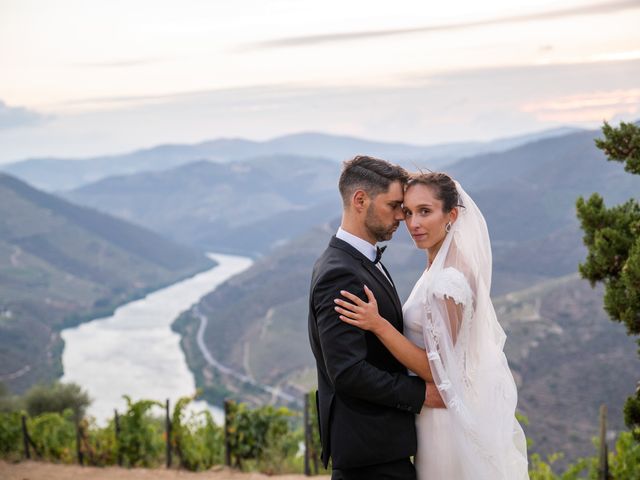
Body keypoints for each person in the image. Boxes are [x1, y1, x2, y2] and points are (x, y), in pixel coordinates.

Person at [334, 172, 529, 479]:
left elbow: (439, 371)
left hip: (442, 422)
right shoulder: (442, 267)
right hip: (437, 414)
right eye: (408, 212)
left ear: (451, 214)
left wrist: (378, 325)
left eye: (425, 212)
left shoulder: (448, 281)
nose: (413, 223)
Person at [308, 156, 445, 480]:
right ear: (360, 200)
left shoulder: (362, 260)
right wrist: (419, 393)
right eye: (394, 205)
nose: (402, 216)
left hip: (382, 446)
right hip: (368, 451)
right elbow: (347, 371)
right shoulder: (340, 273)